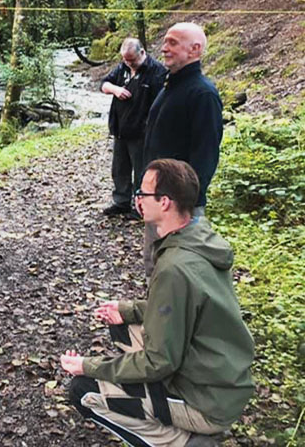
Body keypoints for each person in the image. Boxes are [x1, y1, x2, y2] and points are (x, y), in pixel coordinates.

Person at [59, 159, 254, 447]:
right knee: (123, 326)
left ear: (164, 202)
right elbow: (181, 308)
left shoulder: (175, 267)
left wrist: (88, 366)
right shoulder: (197, 236)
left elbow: (159, 362)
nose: (137, 199)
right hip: (222, 379)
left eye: (144, 193)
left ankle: (184, 442)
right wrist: (126, 310)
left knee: (82, 391)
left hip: (208, 402)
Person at [142, 22, 223, 275]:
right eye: (165, 41)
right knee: (155, 267)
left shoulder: (202, 94)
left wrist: (183, 205)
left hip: (180, 207)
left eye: (173, 43)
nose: (164, 48)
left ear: (195, 49)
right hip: (157, 199)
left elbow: (206, 157)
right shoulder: (169, 86)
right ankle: (158, 312)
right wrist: (144, 192)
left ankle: (175, 313)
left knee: (181, 272)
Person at [100, 38, 166, 219]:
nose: (129, 63)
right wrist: (115, 89)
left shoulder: (157, 72)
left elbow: (159, 105)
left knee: (142, 171)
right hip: (121, 129)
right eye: (126, 60)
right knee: (119, 169)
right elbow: (104, 84)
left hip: (141, 132)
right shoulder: (122, 68)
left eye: (133, 60)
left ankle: (142, 207)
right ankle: (121, 202)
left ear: (142, 53)